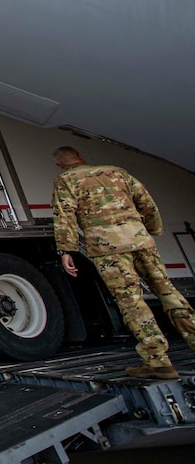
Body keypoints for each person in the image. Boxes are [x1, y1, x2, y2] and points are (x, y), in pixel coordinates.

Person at [51, 146, 195, 380]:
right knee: (168, 292)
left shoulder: (65, 180)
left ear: (60, 165)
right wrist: (151, 229)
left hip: (108, 248)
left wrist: (66, 250)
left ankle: (157, 362)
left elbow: (64, 215)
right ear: (81, 157)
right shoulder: (117, 171)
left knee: (131, 302)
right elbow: (146, 201)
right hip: (140, 240)